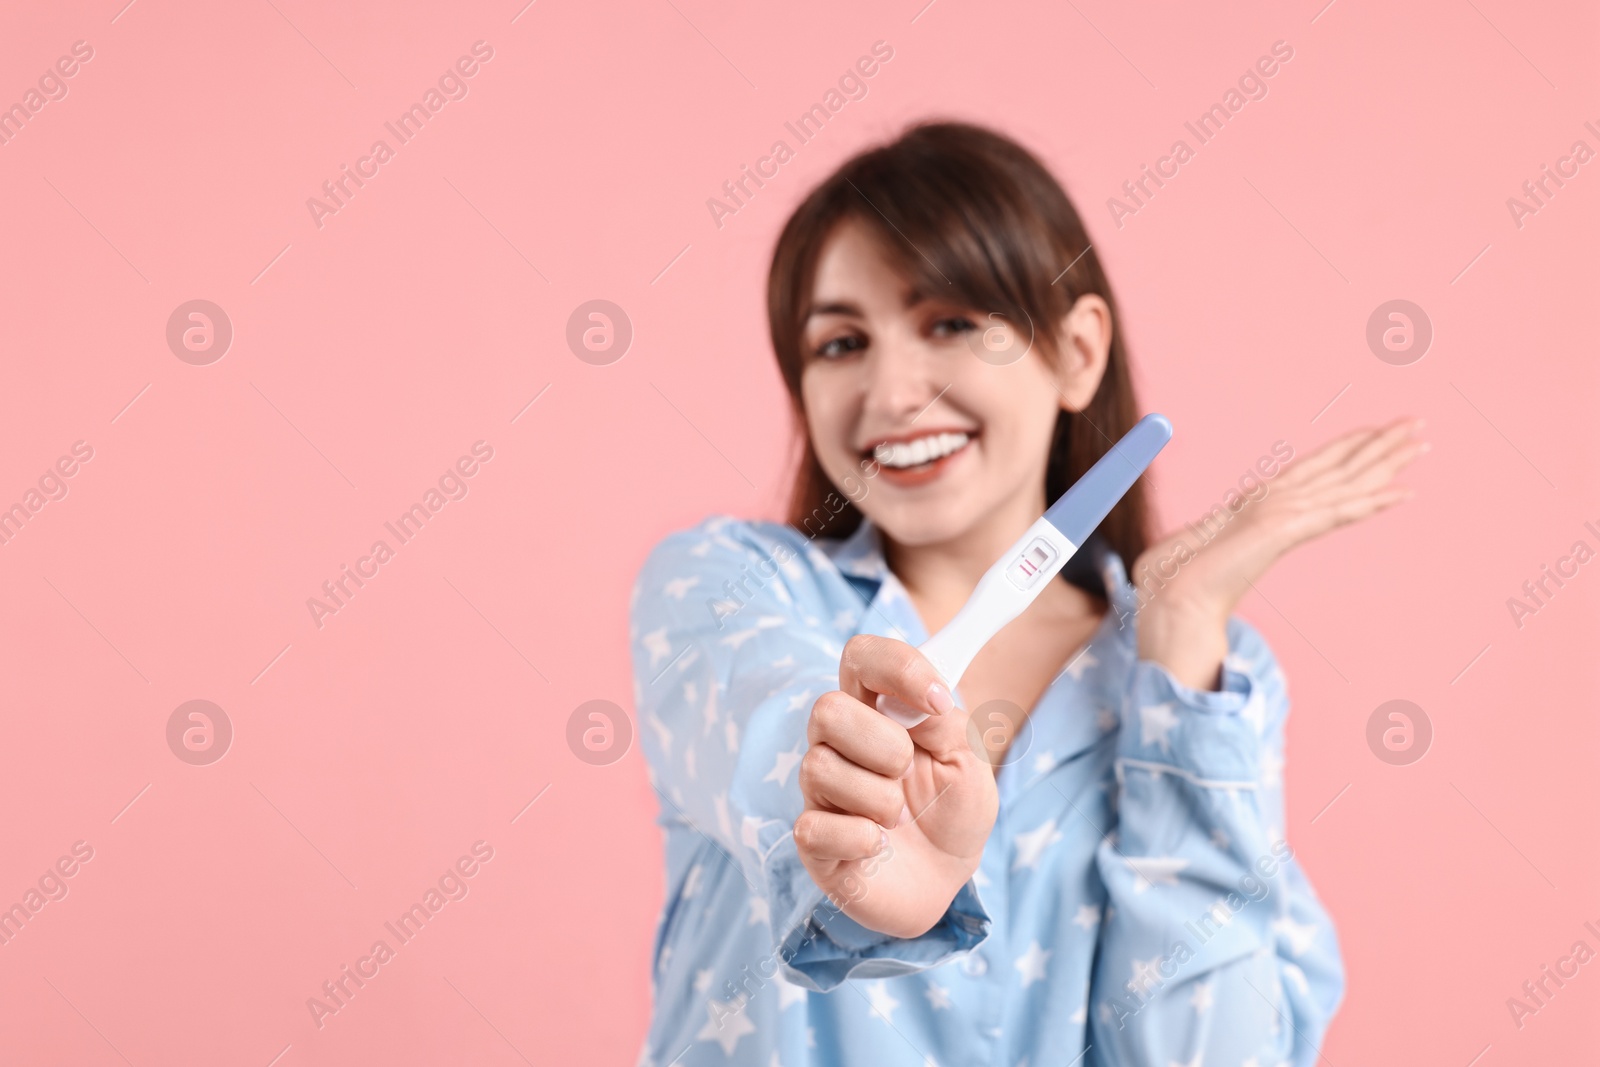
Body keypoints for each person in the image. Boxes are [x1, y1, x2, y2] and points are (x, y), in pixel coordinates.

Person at [628, 120, 1425, 1066]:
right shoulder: (726, 588)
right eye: (840, 343)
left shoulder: (1212, 686)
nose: (890, 391)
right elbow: (780, 740)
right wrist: (865, 842)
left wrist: (1178, 643)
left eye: (952, 323)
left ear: (1079, 352)